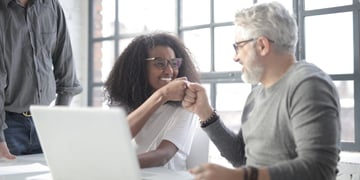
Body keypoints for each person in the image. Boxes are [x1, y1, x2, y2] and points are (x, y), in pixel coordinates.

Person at [182, 2, 341, 180]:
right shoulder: (255, 95)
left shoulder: (308, 84)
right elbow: (240, 158)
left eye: (238, 46)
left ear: (262, 45)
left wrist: (240, 176)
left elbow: (319, 169)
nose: (235, 57)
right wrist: (205, 113)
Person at [104, 32, 200, 170]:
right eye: (160, 63)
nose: (169, 71)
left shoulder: (187, 104)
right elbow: (117, 138)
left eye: (174, 63)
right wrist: (160, 96)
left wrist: (118, 164)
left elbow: (163, 156)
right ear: (138, 67)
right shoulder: (123, 101)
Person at [0, 0, 82, 160]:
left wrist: (60, 115)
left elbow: (65, 60)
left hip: (46, 121)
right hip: (8, 126)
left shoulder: (51, 7)